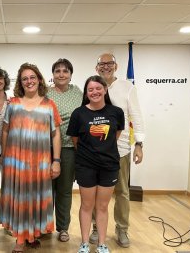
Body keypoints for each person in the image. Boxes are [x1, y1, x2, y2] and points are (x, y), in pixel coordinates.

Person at [0, 63, 62, 253]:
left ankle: (32, 233)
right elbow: (5, 131)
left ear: (39, 79)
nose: (29, 81)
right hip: (15, 161)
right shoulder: (13, 104)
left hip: (40, 162)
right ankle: (20, 239)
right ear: (20, 82)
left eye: (32, 77)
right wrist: (3, 155)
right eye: (25, 78)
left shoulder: (49, 104)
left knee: (35, 196)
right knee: (19, 197)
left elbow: (56, 134)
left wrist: (56, 160)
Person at [89, 53, 145, 248]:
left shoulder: (127, 87)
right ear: (97, 68)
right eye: (102, 64)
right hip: (95, 151)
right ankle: (96, 227)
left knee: (122, 192)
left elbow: (136, 116)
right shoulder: (93, 86)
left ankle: (122, 229)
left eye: (109, 63)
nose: (106, 67)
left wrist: (139, 144)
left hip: (119, 151)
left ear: (116, 65)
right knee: (95, 192)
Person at [67, 75, 125, 253]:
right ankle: (84, 243)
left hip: (109, 166)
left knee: (102, 206)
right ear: (86, 93)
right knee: (86, 205)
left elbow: (115, 136)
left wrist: (102, 150)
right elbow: (76, 140)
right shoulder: (79, 113)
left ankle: (102, 244)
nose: (95, 92)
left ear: (105, 90)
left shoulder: (116, 112)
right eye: (90, 89)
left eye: (98, 88)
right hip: (86, 166)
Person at [47, 58, 83, 242]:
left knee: (64, 190)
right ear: (52, 75)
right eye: (58, 71)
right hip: (46, 148)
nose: (61, 74)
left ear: (70, 75)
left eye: (65, 71)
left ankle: (63, 228)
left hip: (69, 148)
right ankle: (45, 226)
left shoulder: (78, 92)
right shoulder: (44, 93)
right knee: (45, 190)